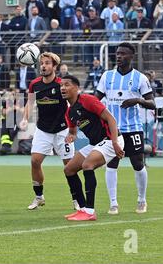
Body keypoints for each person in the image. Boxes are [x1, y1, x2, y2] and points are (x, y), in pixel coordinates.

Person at [95, 43, 156, 215]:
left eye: (123, 53)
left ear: (131, 56)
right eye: (117, 53)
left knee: (137, 164)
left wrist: (137, 101)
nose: (119, 56)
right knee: (112, 163)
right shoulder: (107, 77)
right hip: (113, 130)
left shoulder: (140, 78)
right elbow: (96, 100)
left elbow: (152, 104)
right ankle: (113, 204)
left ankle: (142, 200)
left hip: (133, 128)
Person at [61, 75, 124, 221]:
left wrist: (115, 143)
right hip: (96, 143)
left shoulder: (87, 100)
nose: (63, 88)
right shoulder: (69, 112)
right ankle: (82, 209)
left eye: (67, 85)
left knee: (87, 164)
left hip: (111, 140)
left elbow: (111, 119)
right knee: (69, 169)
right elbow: (72, 131)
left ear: (77, 88)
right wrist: (71, 136)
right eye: (61, 85)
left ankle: (90, 212)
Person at [19, 52, 76, 210]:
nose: (43, 66)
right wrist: (25, 118)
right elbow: (29, 104)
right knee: (35, 161)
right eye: (41, 63)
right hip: (43, 130)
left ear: (54, 66)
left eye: (47, 63)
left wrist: (73, 128)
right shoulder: (34, 84)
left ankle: (76, 199)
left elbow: (73, 103)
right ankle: (39, 197)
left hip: (62, 131)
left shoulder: (62, 84)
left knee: (69, 166)